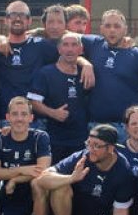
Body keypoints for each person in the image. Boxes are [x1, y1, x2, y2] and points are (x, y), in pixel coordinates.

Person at [34, 124, 135, 215]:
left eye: (96, 145)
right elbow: (42, 178)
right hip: (70, 208)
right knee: (59, 186)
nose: (90, 149)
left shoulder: (123, 171)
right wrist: (71, 178)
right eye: (89, 143)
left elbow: (120, 210)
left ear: (110, 148)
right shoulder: (82, 157)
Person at [0, 97, 52, 215]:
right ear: (8, 117)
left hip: (35, 194)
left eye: (23, 114)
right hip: (12, 196)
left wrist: (14, 179)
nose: (19, 119)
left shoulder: (40, 137)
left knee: (38, 183)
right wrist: (21, 169)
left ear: (31, 117)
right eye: (15, 114)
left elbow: (42, 170)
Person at [0, 1, 59, 124]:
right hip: (6, 120)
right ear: (5, 20)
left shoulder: (41, 46)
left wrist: (85, 64)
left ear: (29, 21)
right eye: (13, 14)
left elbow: (69, 54)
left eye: (22, 15)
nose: (18, 18)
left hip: (36, 121)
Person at [84, 10, 138, 129]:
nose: (112, 30)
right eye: (107, 26)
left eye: (117, 26)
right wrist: (85, 63)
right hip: (95, 125)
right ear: (101, 29)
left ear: (125, 29)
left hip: (126, 127)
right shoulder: (93, 44)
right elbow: (65, 39)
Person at [28, 31, 92, 163]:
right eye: (66, 45)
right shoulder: (46, 73)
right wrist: (53, 113)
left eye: (74, 45)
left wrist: (87, 65)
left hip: (82, 139)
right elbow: (33, 102)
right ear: (59, 49)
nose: (70, 49)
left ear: (80, 49)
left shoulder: (86, 73)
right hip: (55, 140)